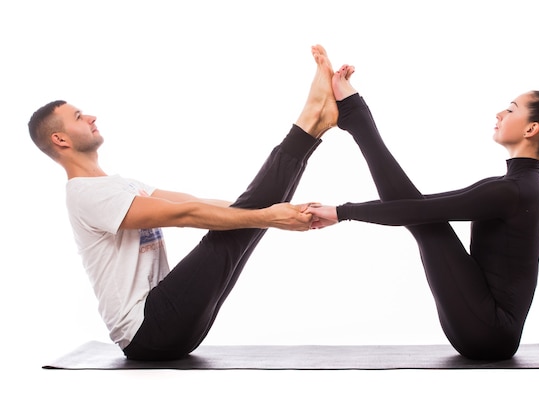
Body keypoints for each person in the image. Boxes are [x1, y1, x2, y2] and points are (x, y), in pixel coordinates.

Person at [28, 45, 338, 361]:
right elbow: (184, 214)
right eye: (79, 116)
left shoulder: (121, 186)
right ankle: (311, 120)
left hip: (172, 326)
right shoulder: (85, 194)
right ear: (61, 140)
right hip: (147, 330)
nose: (92, 116)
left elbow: (196, 202)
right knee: (240, 227)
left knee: (243, 222)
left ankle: (315, 123)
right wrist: (266, 216)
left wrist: (269, 212)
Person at [306, 57, 539, 360]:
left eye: (510, 109)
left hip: (488, 332)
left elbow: (415, 211)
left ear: (531, 128)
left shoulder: (514, 190)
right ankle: (354, 116)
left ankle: (354, 116)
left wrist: (341, 212)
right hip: (482, 327)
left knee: (424, 221)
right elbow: (416, 206)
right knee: (421, 214)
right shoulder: (515, 185)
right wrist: (342, 211)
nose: (499, 113)